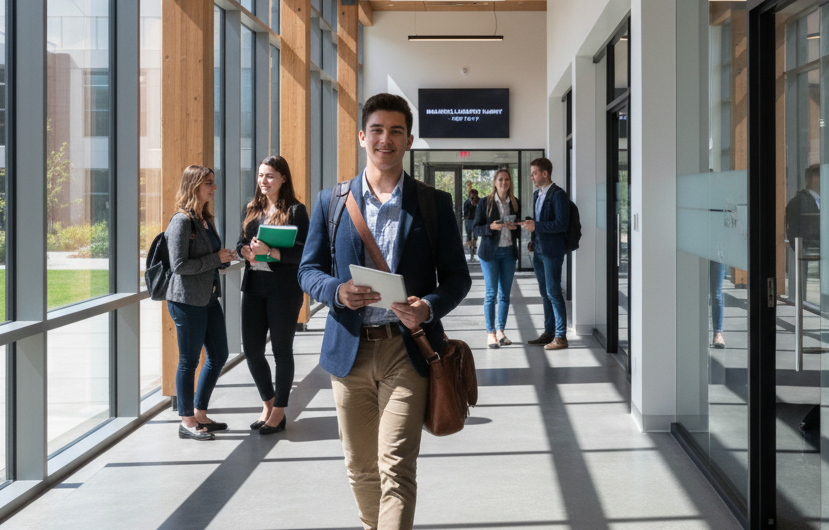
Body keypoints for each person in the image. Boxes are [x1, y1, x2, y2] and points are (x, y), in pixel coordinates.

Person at [298, 93, 471, 529]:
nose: (385, 139)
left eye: (396, 131)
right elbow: (308, 270)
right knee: (361, 468)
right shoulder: (331, 202)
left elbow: (457, 277)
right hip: (349, 353)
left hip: (406, 352)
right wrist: (337, 292)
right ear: (362, 136)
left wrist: (428, 307)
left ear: (409, 140)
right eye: (376, 130)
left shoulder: (433, 204)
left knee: (396, 467)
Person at [237, 156, 309, 435]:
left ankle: (279, 411)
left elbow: (304, 251)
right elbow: (241, 241)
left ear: (283, 179)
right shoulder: (251, 209)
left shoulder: (295, 210)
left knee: (281, 351)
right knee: (252, 351)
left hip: (284, 290)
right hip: (254, 287)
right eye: (260, 175)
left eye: (269, 176)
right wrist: (245, 250)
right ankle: (267, 404)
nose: (263, 181)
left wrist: (273, 253)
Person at [165, 165, 236, 440]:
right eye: (209, 183)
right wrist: (215, 259)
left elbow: (208, 258)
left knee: (219, 355)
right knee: (188, 361)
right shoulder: (181, 221)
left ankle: (201, 413)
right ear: (194, 185)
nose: (213, 188)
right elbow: (179, 265)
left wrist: (223, 259)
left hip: (207, 297)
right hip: (185, 301)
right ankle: (187, 421)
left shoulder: (205, 219)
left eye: (213, 182)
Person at [522, 157, 570, 350]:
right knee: (545, 293)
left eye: (534, 173)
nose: (532, 177)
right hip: (539, 251)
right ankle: (549, 332)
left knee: (554, 292)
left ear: (545, 173)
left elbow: (561, 224)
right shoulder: (537, 195)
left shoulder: (559, 195)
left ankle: (561, 336)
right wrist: (534, 240)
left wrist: (536, 225)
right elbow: (539, 222)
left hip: (552, 252)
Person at [473, 169, 520, 349]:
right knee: (491, 294)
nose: (504, 182)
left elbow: (519, 229)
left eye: (507, 179)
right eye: (500, 179)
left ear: (510, 182)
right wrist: (491, 227)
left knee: (505, 295)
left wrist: (515, 226)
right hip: (489, 255)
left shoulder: (515, 203)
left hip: (508, 253)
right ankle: (491, 333)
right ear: (495, 182)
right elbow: (476, 229)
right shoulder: (485, 202)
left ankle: (501, 331)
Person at [463, 189, 480, 259]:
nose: (473, 195)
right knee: (469, 235)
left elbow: (481, 211)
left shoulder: (479, 201)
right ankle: (471, 252)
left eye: (474, 194)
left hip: (476, 220)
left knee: (475, 236)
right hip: (469, 220)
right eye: (472, 194)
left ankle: (474, 249)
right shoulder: (467, 202)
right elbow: (465, 213)